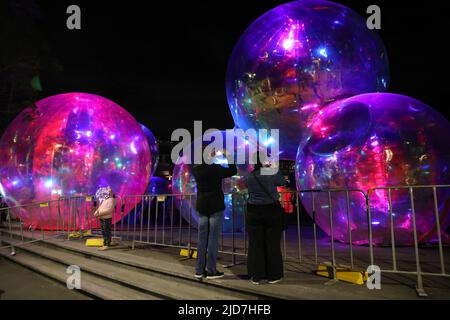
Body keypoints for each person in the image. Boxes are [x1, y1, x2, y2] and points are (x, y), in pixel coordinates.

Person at [192, 149, 237, 280]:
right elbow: (233, 170)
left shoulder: (196, 170)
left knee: (202, 239)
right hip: (215, 206)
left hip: (202, 206)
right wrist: (228, 155)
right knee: (213, 238)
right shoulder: (215, 169)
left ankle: (199, 270)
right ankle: (211, 270)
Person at [245, 153, 287, 284]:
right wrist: (274, 167)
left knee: (255, 244)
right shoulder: (270, 173)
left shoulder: (249, 176)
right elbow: (283, 182)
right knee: (272, 243)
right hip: (271, 210)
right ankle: (273, 275)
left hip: (253, 211)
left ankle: (256, 275)